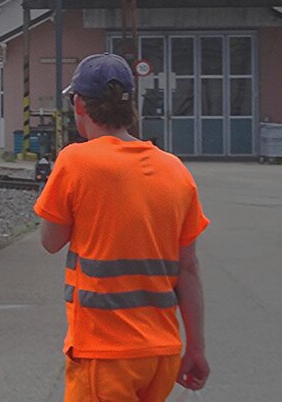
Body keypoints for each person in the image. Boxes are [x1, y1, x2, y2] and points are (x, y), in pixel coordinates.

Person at [34, 53, 210, 401]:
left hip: (106, 352)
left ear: (80, 104)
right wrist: (197, 348)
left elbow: (50, 240)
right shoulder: (175, 169)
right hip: (162, 352)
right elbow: (188, 268)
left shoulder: (76, 160)